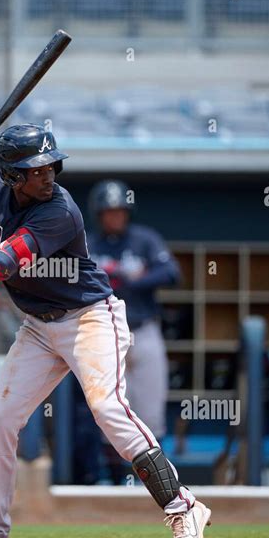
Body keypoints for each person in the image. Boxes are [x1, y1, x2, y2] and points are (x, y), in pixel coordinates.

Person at [0, 123, 211, 538]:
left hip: (90, 317)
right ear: (12, 175)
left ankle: (183, 506)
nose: (48, 174)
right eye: (36, 170)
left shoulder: (60, 210)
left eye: (51, 165)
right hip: (38, 325)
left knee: (107, 407)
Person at [87, 180, 181, 482]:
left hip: (144, 330)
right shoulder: (89, 244)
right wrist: (115, 278)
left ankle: (160, 485)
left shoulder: (144, 240)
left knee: (151, 411)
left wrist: (130, 280)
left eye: (119, 211)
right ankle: (116, 484)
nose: (115, 217)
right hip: (105, 334)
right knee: (109, 411)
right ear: (99, 214)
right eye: (108, 212)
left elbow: (171, 272)